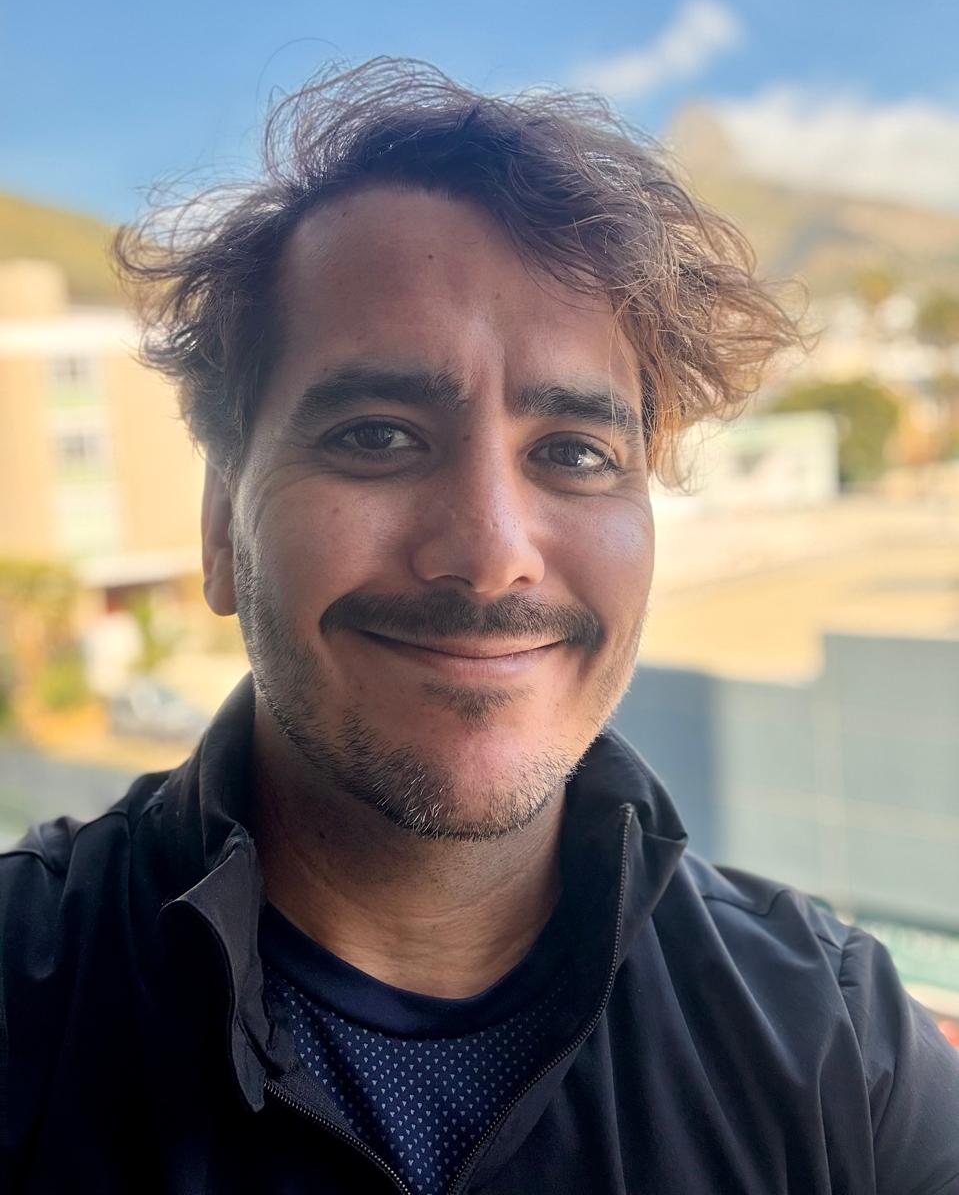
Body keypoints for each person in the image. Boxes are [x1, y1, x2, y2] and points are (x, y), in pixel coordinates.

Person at [1, 59, 957, 1195]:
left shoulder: (839, 1044)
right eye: (376, 435)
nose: (492, 551)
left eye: (575, 452)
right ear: (221, 524)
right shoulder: (21, 992)